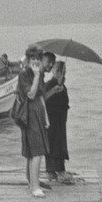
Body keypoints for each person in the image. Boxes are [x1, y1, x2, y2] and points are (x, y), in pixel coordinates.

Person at [17, 44, 50, 197]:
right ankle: (35, 186)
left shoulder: (40, 75)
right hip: (29, 115)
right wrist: (36, 76)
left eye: (37, 58)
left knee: (36, 151)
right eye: (32, 59)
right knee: (36, 151)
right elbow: (30, 94)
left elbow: (41, 95)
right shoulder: (24, 75)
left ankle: (32, 182)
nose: (35, 61)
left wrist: (46, 117)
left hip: (39, 113)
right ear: (28, 60)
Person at [42, 52, 70, 181]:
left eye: (64, 73)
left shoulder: (62, 86)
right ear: (57, 72)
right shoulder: (49, 85)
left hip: (60, 120)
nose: (64, 75)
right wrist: (56, 90)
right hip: (52, 120)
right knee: (52, 144)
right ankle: (51, 170)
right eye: (62, 72)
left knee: (60, 144)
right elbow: (44, 100)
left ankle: (59, 169)